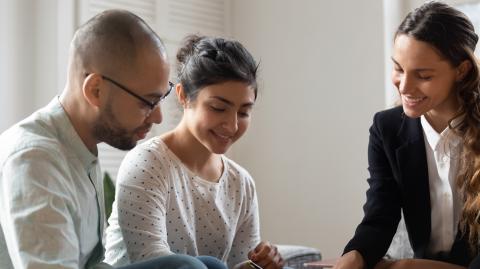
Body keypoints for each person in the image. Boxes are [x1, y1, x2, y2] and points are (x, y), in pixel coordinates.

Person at [0, 9, 211, 269]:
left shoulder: (79, 147)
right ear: (95, 90)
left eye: (161, 97)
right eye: (148, 102)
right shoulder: (35, 160)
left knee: (208, 265)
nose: (157, 117)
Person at [103, 35, 285, 269]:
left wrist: (261, 263)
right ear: (183, 96)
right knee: (201, 265)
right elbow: (152, 260)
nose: (232, 125)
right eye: (218, 108)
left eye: (244, 112)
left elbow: (239, 264)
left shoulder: (241, 183)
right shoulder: (147, 162)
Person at [334, 2, 480, 269]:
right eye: (399, 69)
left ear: (461, 70)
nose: (405, 86)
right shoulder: (386, 128)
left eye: (423, 75)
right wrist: (355, 255)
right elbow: (380, 215)